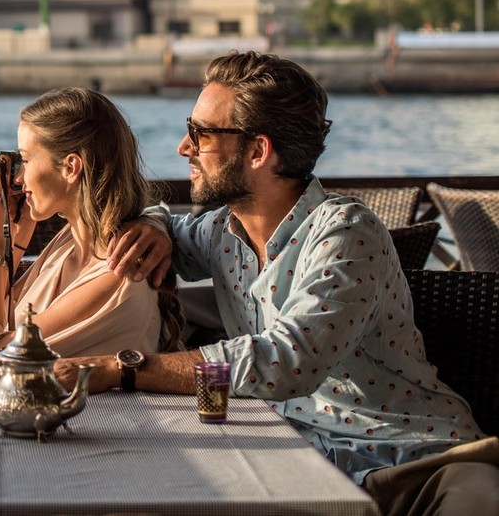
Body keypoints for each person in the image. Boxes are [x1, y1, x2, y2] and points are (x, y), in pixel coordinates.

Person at [66, 51, 497, 516]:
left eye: (200, 134)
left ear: (258, 151)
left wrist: (122, 367)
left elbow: (288, 360)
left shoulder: (346, 231)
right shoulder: (219, 232)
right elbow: (165, 226)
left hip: (420, 462)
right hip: (300, 465)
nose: (183, 148)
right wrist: (152, 223)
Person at [0, 87, 182, 385]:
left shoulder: (118, 272)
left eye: (25, 160)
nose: (17, 178)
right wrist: (12, 239)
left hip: (100, 427)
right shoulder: (70, 243)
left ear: (70, 167)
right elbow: (1, 323)